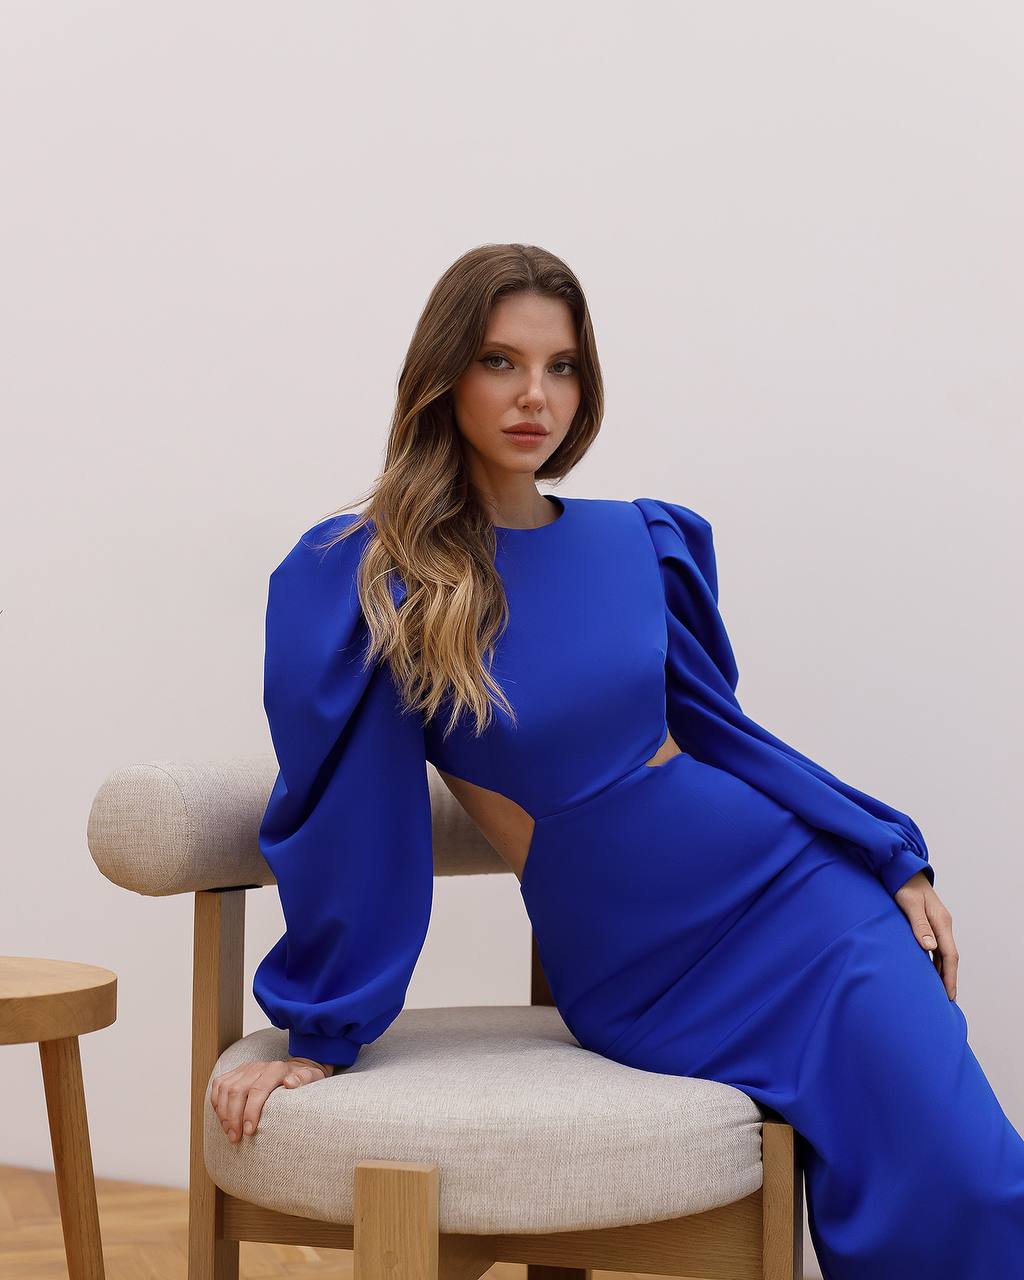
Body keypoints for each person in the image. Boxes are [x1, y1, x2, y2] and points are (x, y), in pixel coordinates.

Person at [211, 243, 1024, 1277]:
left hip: (799, 896)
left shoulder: (639, 540)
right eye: (500, 361)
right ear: (444, 371)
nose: (533, 395)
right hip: (649, 964)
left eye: (561, 367)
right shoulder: (372, 572)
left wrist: (886, 851)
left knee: (964, 1167)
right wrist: (321, 1028)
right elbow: (354, 814)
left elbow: (725, 735)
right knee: (934, 1155)